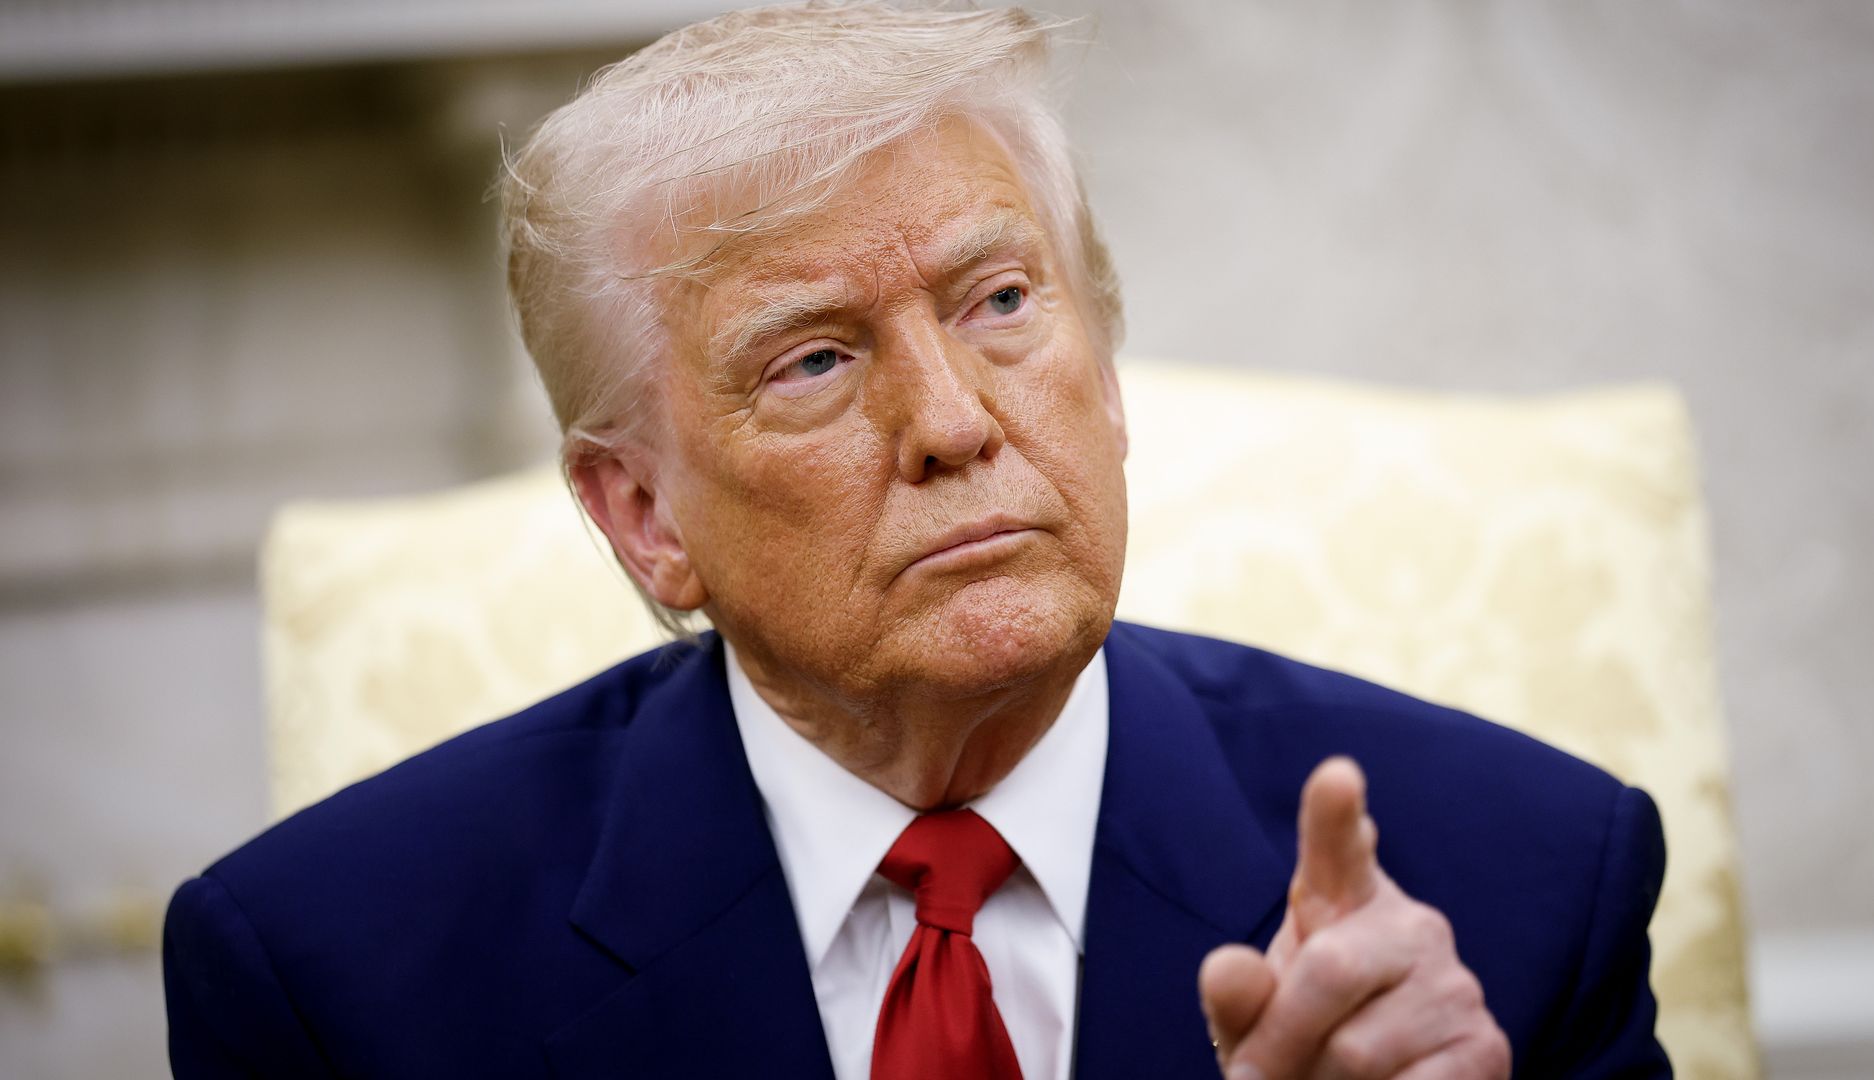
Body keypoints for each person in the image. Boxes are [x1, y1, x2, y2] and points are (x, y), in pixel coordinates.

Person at [162, 3, 1670, 1077]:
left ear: (1110, 371)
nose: (952, 421)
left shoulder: (1521, 889)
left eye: (1001, 302)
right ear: (642, 515)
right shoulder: (335, 985)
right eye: (812, 360)